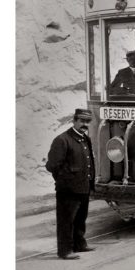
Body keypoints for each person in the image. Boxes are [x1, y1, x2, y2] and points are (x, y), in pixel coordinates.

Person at [45, 109, 96, 260]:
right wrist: (64, 180)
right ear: (74, 121)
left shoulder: (85, 139)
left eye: (87, 122)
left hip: (83, 186)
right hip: (68, 189)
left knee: (80, 218)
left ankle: (79, 244)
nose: (84, 124)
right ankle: (65, 250)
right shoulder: (62, 140)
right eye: (82, 121)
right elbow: (52, 165)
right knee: (66, 221)